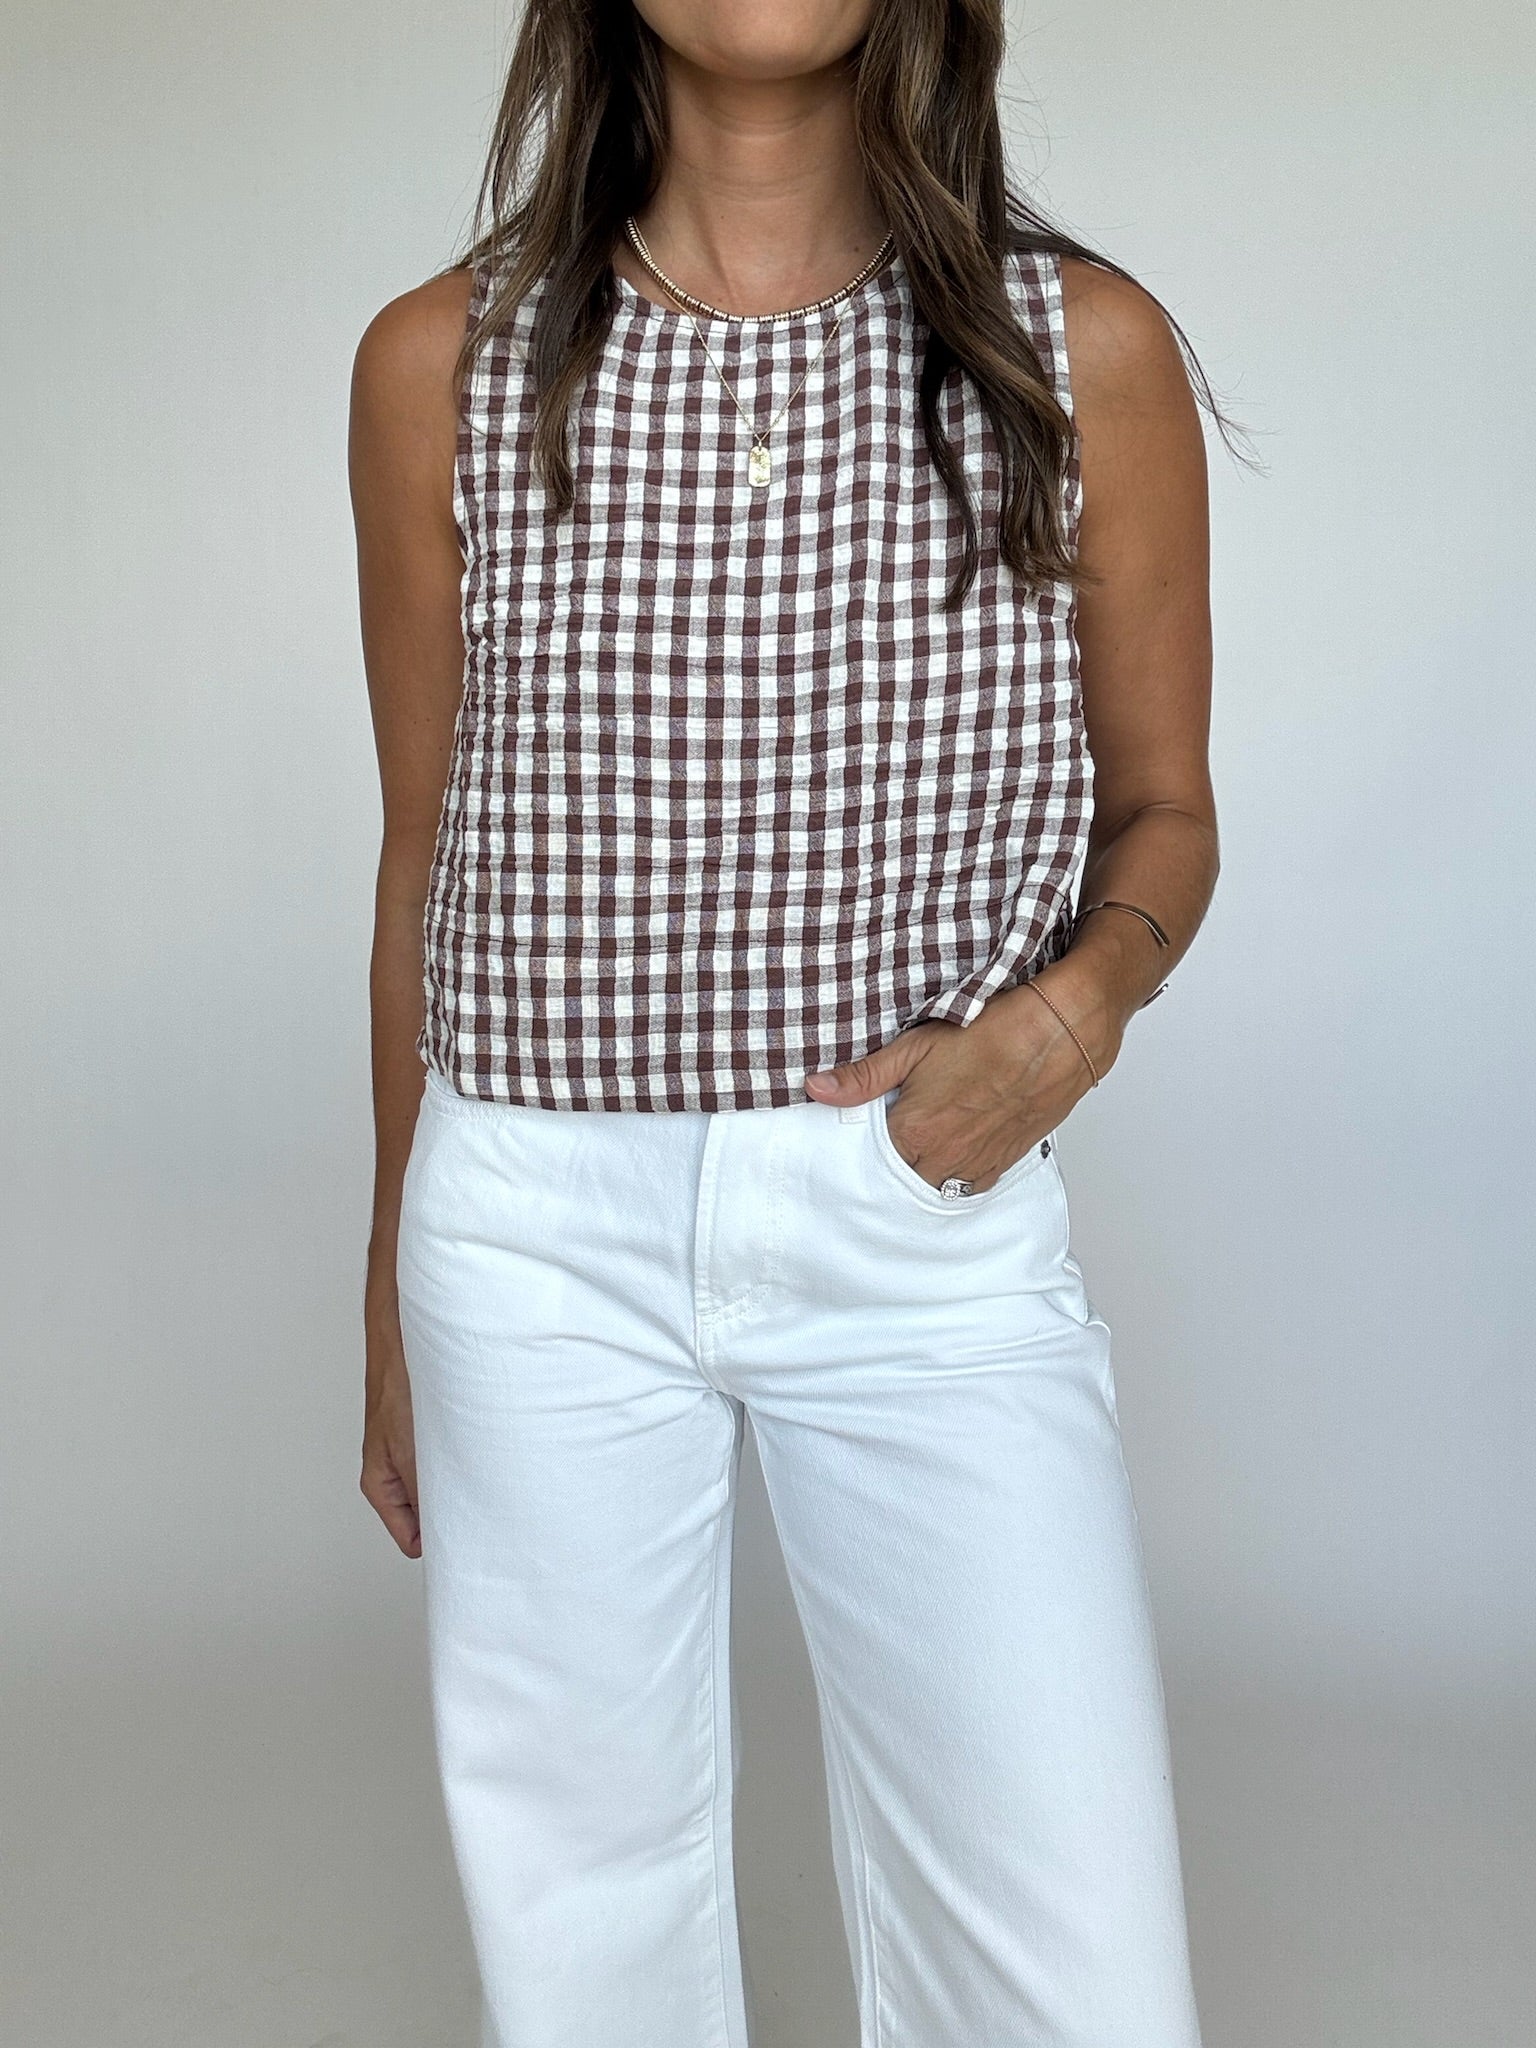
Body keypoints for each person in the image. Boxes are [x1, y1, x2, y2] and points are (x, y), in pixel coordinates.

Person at [348, 3, 1226, 2043]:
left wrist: (1071, 1022)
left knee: (1076, 1978)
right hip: (530, 1230)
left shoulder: (1077, 349)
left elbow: (1169, 814)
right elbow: (423, 856)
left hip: (917, 1212)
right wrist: (388, 1281)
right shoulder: (442, 364)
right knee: (587, 1941)